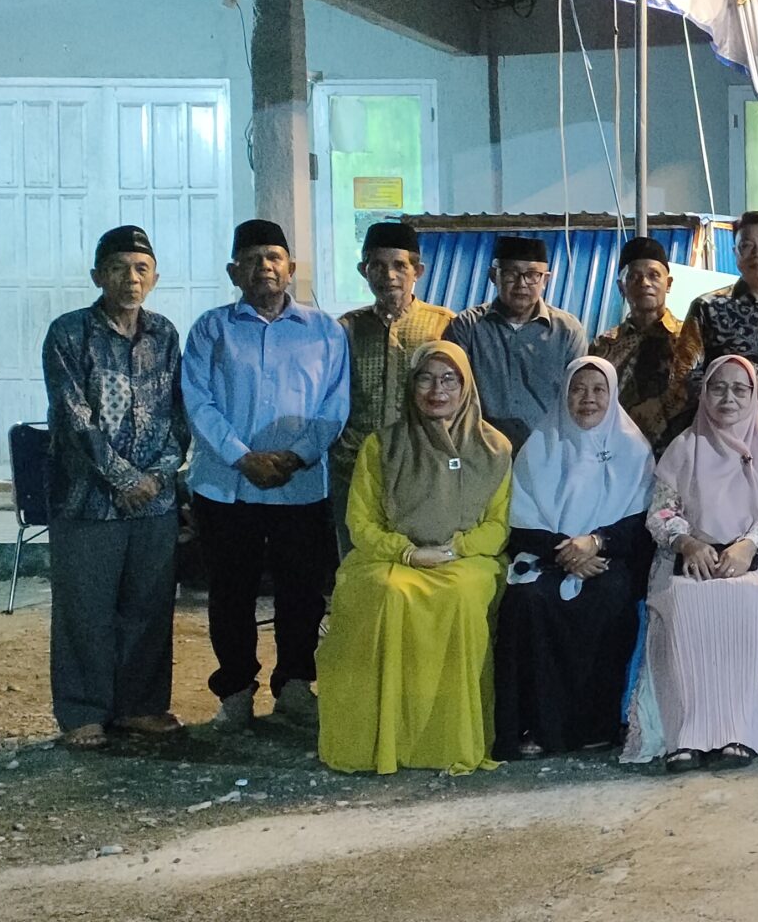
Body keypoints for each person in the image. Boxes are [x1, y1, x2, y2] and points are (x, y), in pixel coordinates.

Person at [183, 218, 351, 728]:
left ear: (291, 268)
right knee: (229, 593)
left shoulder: (325, 331)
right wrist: (242, 456)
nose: (264, 267)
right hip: (226, 488)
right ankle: (235, 691)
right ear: (234, 271)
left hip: (299, 488)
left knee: (302, 592)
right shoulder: (211, 329)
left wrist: (296, 457)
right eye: (252, 259)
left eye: (274, 257)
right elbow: (197, 401)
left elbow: (335, 405)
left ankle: (295, 685)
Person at [315, 341, 512, 774]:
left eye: (449, 379)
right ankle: (384, 741)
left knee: (462, 596)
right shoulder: (381, 445)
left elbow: (499, 526)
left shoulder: (495, 448)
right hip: (392, 556)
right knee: (385, 591)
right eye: (426, 378)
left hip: (466, 559)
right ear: (411, 385)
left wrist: (453, 549)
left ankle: (447, 742)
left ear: (466, 386)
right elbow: (360, 523)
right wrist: (406, 552)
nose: (437, 391)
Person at [42, 225, 190, 750]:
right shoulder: (68, 333)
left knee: (149, 608)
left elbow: (179, 414)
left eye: (141, 269)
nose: (131, 278)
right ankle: (83, 712)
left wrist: (157, 476)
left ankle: (140, 707)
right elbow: (73, 417)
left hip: (155, 501)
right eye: (119, 268)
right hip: (87, 501)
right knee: (85, 610)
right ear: (97, 276)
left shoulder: (165, 334)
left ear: (154, 278)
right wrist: (124, 478)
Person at [628, 356, 758, 769]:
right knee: (685, 602)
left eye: (740, 389)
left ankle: (742, 730)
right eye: (718, 388)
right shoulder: (684, 446)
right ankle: (685, 734)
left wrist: (749, 546)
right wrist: (687, 544)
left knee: (748, 601)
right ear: (704, 393)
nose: (728, 398)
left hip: (756, 556)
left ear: (754, 395)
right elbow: (661, 512)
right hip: (692, 555)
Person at [493, 357, 655, 759]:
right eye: (578, 389)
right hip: (548, 556)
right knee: (526, 601)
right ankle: (536, 726)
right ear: (564, 394)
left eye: (599, 390)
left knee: (611, 596)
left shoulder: (633, 448)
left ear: (612, 395)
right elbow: (519, 522)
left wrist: (596, 542)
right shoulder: (539, 446)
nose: (588, 399)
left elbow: (640, 522)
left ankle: (597, 726)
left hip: (609, 557)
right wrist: (566, 551)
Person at [332, 221, 454, 552]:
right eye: (377, 265)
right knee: (358, 558)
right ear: (363, 270)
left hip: (421, 466)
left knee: (417, 560)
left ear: (418, 271)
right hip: (355, 466)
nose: (388, 275)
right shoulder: (347, 328)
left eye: (399, 265)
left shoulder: (444, 324)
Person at [672, 211, 758, 437]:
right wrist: (740, 392)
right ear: (735, 253)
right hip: (728, 439)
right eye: (747, 246)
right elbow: (683, 377)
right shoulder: (708, 308)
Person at [442, 235, 586, 450]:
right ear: (493, 275)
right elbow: (451, 390)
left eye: (532, 275)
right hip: (481, 450)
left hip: (549, 450)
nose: (521, 284)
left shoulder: (568, 331)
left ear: (545, 280)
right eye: (511, 273)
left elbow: (578, 396)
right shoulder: (467, 326)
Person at [591, 236, 686, 446]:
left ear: (668, 283)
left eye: (654, 275)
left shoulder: (690, 339)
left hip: (678, 454)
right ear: (621, 287)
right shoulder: (603, 347)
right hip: (619, 452)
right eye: (634, 277)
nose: (645, 283)